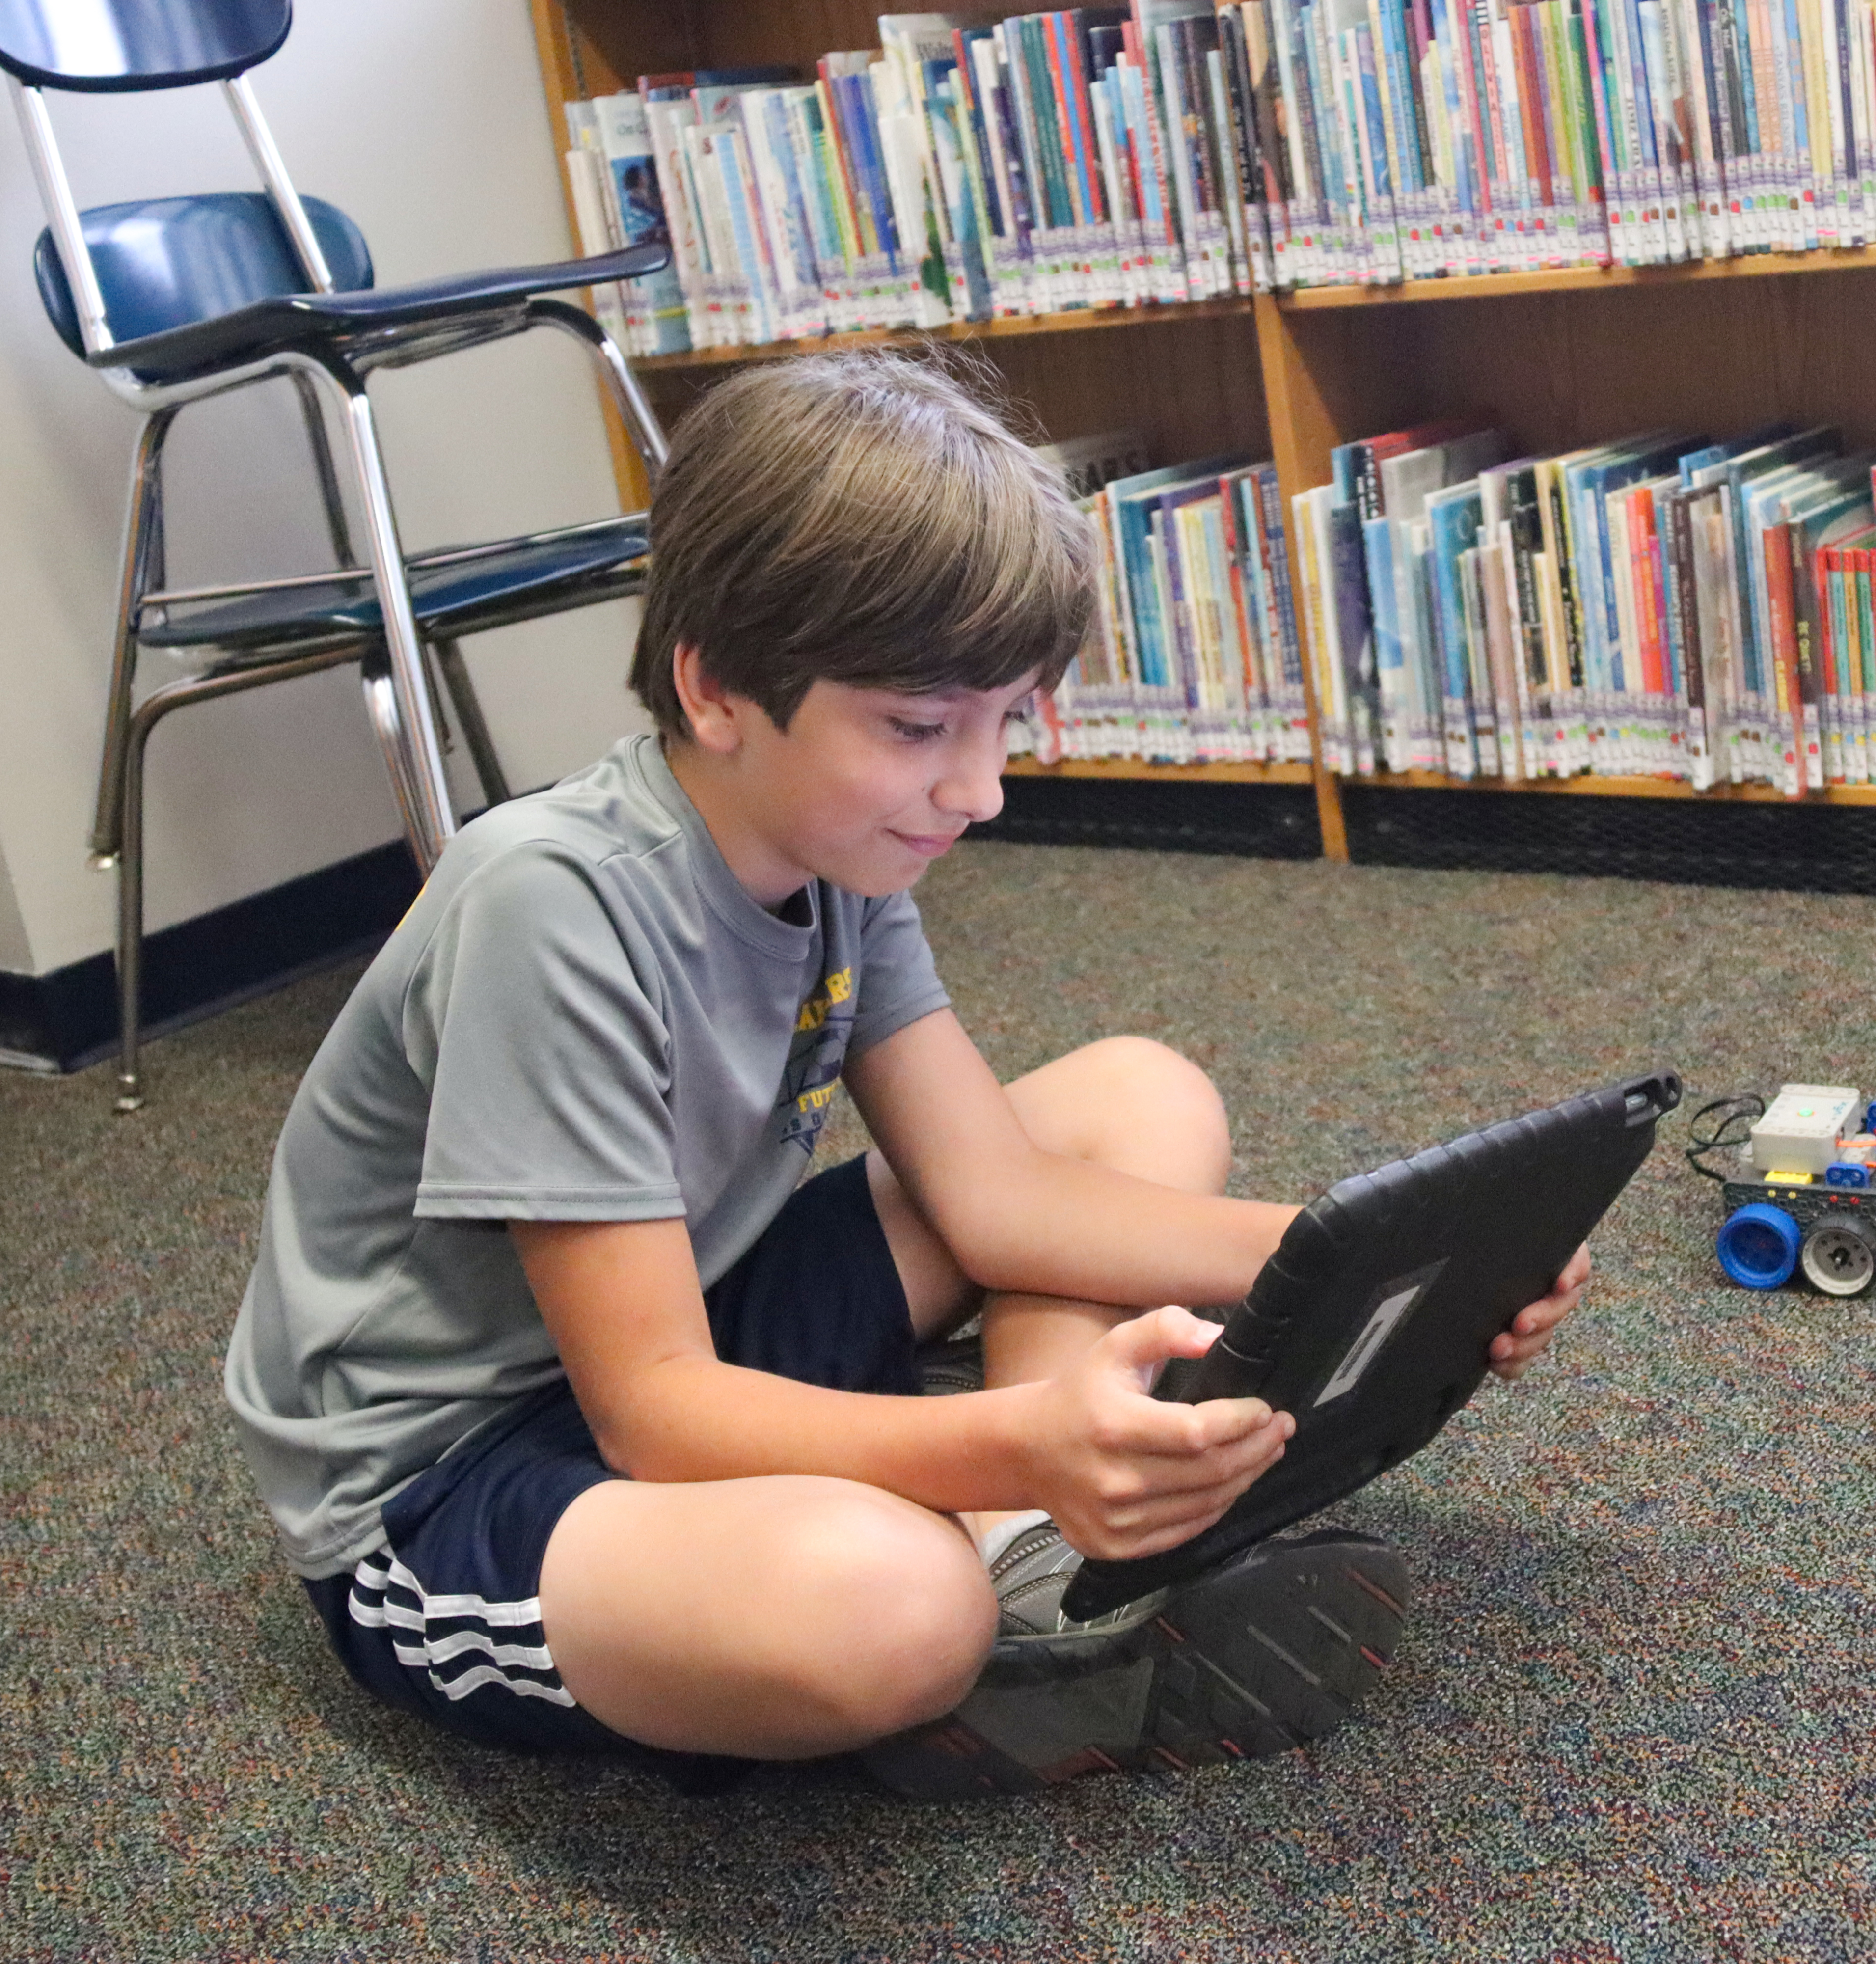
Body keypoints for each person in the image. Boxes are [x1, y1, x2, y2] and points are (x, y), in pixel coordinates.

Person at [223, 350, 1590, 1799]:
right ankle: (997, 1575)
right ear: (718, 687)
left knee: (1138, 1095)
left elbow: (997, 1196)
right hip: (454, 1469)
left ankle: (1033, 1552)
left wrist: (1381, 1252)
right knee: (885, 1609)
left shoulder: (833, 850)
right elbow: (653, 1411)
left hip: (697, 1303)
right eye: (919, 727)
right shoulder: (549, 906)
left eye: (1005, 721)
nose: (979, 790)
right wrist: (1016, 1433)